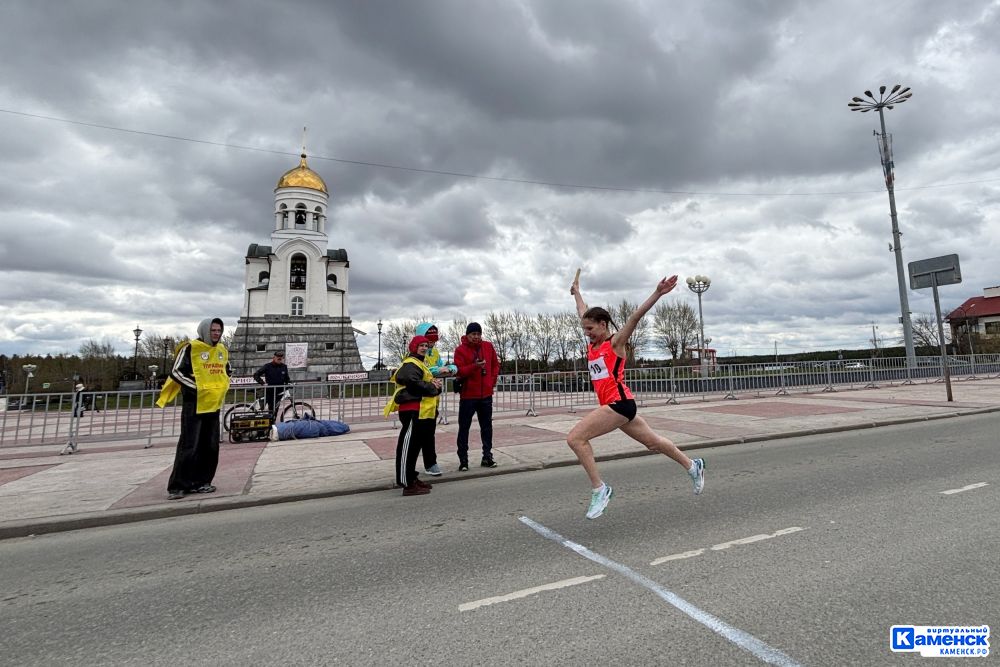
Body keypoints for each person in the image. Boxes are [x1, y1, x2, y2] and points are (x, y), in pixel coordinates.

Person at [569, 275, 705, 519]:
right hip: (619, 407)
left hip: (619, 404)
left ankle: (600, 489)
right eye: (584, 329)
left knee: (576, 439)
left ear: (603, 324)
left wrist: (658, 293)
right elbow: (582, 310)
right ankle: (692, 466)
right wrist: (577, 292)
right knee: (654, 443)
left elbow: (635, 317)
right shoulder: (592, 345)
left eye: (590, 329)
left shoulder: (615, 343)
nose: (587, 333)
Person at [157, 318, 232, 500]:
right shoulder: (190, 348)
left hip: (212, 404)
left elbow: (227, 369)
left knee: (210, 446)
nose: (216, 333)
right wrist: (197, 387)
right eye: (213, 330)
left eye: (219, 330)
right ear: (205, 330)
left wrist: (223, 384)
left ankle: (202, 482)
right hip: (194, 404)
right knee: (190, 445)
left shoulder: (221, 350)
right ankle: (178, 485)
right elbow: (176, 372)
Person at [383, 335, 442, 496]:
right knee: (407, 447)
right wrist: (432, 386)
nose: (424, 348)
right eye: (421, 345)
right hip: (411, 410)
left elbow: (419, 382)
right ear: (414, 347)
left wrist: (435, 386)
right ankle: (407, 483)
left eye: (426, 346)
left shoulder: (420, 363)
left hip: (420, 410)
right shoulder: (410, 363)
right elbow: (409, 379)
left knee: (414, 446)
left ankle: (412, 477)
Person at [453, 322, 500, 470]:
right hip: (468, 396)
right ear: (467, 335)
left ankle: (487, 456)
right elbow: (459, 371)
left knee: (486, 427)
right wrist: (475, 366)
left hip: (485, 395)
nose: (476, 337)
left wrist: (491, 381)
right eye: (473, 334)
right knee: (464, 428)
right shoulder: (460, 350)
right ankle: (463, 459)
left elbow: (495, 365)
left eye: (479, 334)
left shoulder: (488, 346)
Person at [413, 322, 457, 476]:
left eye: (434, 340)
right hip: (418, 402)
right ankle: (409, 467)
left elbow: (441, 366)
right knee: (415, 436)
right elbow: (422, 369)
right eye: (428, 340)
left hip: (432, 401)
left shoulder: (435, 352)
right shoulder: (414, 353)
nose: (431, 344)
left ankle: (431, 463)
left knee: (429, 434)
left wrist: (450, 368)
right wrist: (438, 370)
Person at [253, 350, 291, 417]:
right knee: (265, 409)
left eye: (281, 357)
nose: (279, 358)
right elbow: (256, 375)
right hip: (269, 391)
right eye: (278, 357)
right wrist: (262, 383)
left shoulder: (284, 367)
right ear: (274, 358)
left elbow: (286, 378)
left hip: (279, 392)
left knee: (275, 410)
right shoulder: (267, 366)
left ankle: (272, 422)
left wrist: (290, 383)